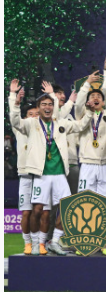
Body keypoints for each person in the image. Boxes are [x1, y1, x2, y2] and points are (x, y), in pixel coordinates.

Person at [9, 80, 91, 256]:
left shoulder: (60, 123)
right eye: (43, 104)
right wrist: (14, 101)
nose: (47, 107)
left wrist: (90, 111)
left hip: (60, 174)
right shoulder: (31, 124)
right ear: (38, 108)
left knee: (68, 209)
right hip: (41, 175)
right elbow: (15, 122)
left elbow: (81, 125)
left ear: (54, 107)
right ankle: (36, 243)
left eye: (50, 104)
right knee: (37, 210)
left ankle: (54, 241)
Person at [74, 70, 106, 255]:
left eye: (99, 96)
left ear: (104, 101)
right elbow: (78, 103)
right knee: (84, 204)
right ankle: (83, 243)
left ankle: (104, 242)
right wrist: (86, 85)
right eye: (92, 96)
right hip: (88, 164)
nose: (96, 98)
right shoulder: (82, 114)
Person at [9, 83, 39, 255]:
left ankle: (39, 242)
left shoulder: (43, 131)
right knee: (26, 212)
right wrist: (14, 98)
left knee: (39, 212)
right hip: (25, 176)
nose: (33, 118)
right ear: (25, 117)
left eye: (36, 115)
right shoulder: (19, 130)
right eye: (30, 115)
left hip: (40, 175)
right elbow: (13, 117)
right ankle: (27, 243)